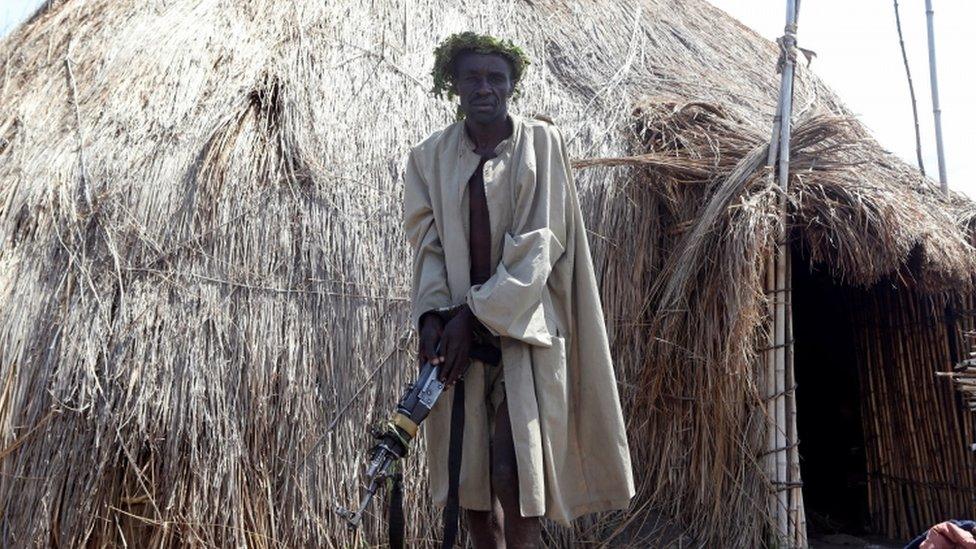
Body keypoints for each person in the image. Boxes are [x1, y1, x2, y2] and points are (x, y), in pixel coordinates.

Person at [402, 31, 635, 548]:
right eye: (472, 78)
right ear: (453, 86)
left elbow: (538, 244)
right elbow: (428, 246)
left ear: (512, 86)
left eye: (496, 78)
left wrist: (473, 315)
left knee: (514, 469)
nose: (484, 87)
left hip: (522, 327)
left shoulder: (540, 144)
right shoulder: (428, 158)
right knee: (471, 487)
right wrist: (433, 316)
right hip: (460, 333)